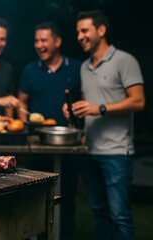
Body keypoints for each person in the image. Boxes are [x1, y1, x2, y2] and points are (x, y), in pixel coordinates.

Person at [64, 10, 145, 240]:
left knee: (119, 215)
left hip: (117, 153)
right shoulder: (84, 67)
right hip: (89, 151)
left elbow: (138, 101)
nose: (79, 36)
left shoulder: (124, 60)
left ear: (101, 30)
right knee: (99, 213)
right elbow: (88, 104)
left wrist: (99, 108)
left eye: (84, 30)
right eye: (78, 32)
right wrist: (74, 109)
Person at [18, 22, 82, 240]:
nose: (38, 45)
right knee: (39, 198)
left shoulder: (76, 68)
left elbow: (85, 101)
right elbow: (22, 104)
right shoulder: (29, 70)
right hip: (38, 146)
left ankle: (64, 236)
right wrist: (25, 125)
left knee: (67, 197)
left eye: (43, 40)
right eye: (36, 40)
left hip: (68, 146)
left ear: (57, 41)